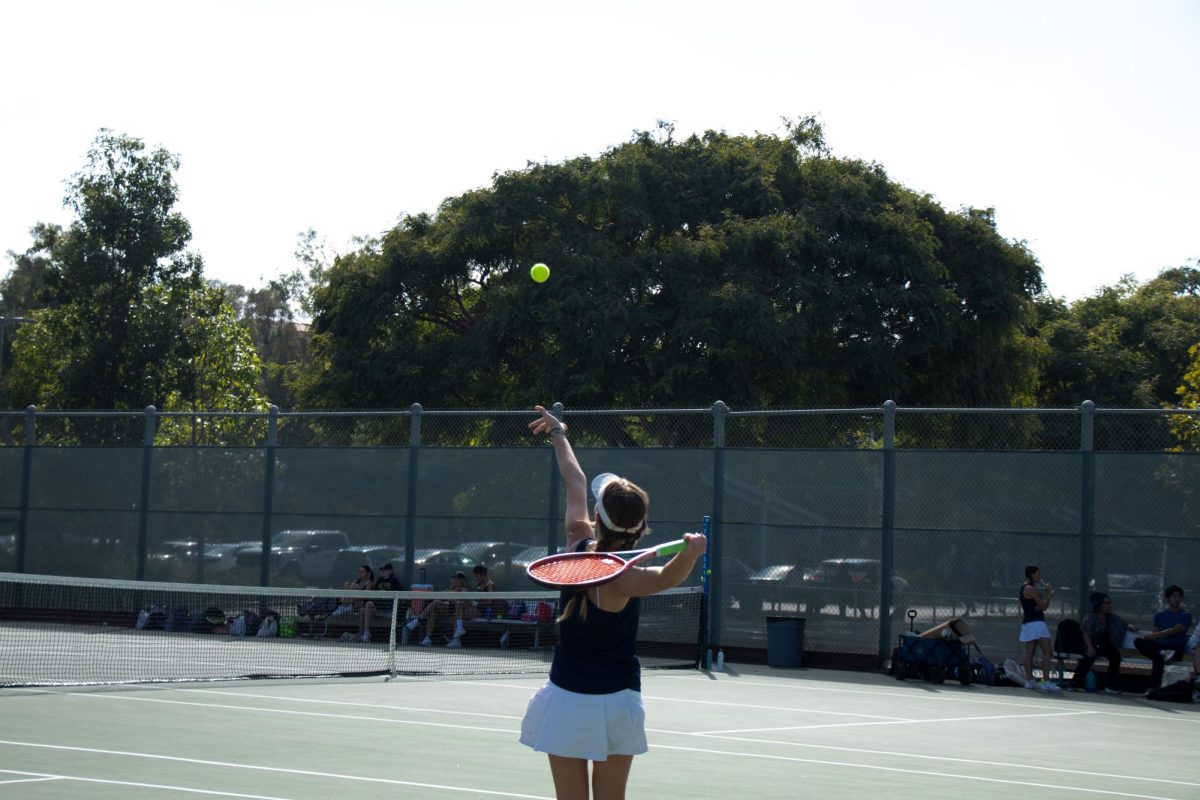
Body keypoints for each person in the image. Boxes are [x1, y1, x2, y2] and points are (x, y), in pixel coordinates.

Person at [518, 404, 706, 800]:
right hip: (619, 701)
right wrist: (690, 554)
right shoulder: (628, 579)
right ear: (641, 527)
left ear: (597, 518)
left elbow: (575, 479)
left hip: (568, 698)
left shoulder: (576, 544)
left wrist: (559, 432)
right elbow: (668, 577)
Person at [1074, 592, 1136, 694]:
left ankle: (1110, 686)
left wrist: (1130, 626)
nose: (1109, 606)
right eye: (1106, 603)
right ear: (1098, 605)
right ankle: (1075, 682)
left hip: (1102, 646)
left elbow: (1123, 624)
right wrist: (1090, 647)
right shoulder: (1090, 617)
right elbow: (1085, 633)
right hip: (1088, 644)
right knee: (1090, 656)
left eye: (1109, 603)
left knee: (1114, 654)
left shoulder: (1112, 617)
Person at [1133, 585, 1192, 690]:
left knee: (1158, 657)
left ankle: (1153, 688)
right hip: (1161, 649)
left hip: (1174, 650)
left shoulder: (1185, 615)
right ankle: (1155, 687)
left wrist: (1154, 635)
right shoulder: (1159, 616)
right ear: (1168, 598)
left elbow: (1174, 630)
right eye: (1174, 596)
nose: (1177, 599)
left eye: (1179, 597)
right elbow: (1156, 636)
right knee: (1138, 641)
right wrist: (1148, 637)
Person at [1018, 565, 1060, 692]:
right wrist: (1049, 594)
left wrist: (1039, 606)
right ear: (1032, 574)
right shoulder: (1031, 589)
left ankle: (1030, 681)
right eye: (1037, 574)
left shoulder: (1025, 588)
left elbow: (1037, 607)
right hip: (1036, 623)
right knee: (1048, 652)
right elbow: (1044, 607)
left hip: (1029, 623)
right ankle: (1046, 682)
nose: (1039, 576)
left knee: (1030, 652)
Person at [405, 570, 468, 646]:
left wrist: (448, 598)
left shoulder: (464, 590)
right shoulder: (449, 589)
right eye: (453, 578)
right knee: (433, 612)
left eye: (457, 579)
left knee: (435, 602)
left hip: (453, 611)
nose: (454, 580)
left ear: (462, 580)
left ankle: (418, 620)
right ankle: (427, 638)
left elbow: (458, 601)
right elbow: (441, 596)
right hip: (444, 609)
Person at [443, 564, 500, 648]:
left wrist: (475, 603)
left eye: (477, 576)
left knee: (455, 616)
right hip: (474, 608)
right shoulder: (479, 585)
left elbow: (490, 601)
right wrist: (469, 602)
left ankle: (456, 639)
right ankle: (457, 636)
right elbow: (476, 600)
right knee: (457, 607)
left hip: (484, 612)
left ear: (483, 574)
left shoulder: (491, 585)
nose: (476, 579)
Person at [359, 563, 403, 643]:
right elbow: (375, 594)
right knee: (364, 609)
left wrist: (387, 593)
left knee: (367, 606)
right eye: (382, 570)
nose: (382, 572)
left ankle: (365, 633)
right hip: (378, 610)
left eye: (384, 570)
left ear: (390, 571)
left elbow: (400, 594)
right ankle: (364, 633)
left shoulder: (394, 580)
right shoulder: (379, 580)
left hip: (389, 611)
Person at [332, 564, 374, 642]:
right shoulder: (355, 583)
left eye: (362, 572)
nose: (360, 573)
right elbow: (351, 595)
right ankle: (344, 608)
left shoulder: (369, 583)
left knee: (363, 607)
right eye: (359, 572)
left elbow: (364, 596)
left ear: (368, 573)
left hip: (363, 606)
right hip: (354, 605)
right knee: (348, 584)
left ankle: (345, 607)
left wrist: (350, 600)